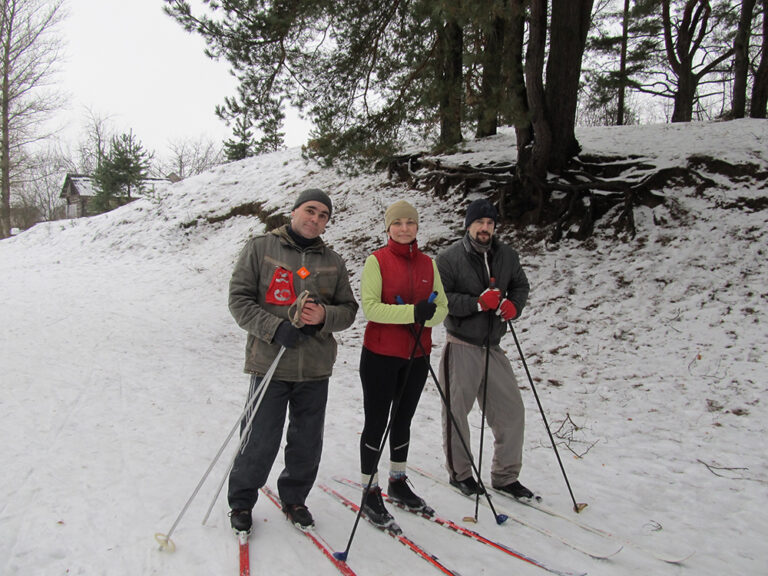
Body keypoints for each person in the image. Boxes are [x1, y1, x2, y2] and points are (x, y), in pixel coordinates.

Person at [227, 188, 358, 533]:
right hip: (269, 363)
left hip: (315, 367)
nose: (315, 219)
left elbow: (348, 310)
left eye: (323, 215)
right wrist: (274, 328)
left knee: (306, 441)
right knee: (259, 438)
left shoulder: (333, 261)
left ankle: (295, 498)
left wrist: (324, 316)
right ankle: (241, 502)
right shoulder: (261, 248)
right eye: (310, 211)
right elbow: (239, 300)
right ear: (294, 211)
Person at [357, 199, 448, 527]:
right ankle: (370, 489)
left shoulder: (428, 264)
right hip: (380, 355)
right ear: (388, 228)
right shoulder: (377, 261)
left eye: (410, 222)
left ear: (417, 227)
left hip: (417, 355)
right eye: (398, 223)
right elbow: (371, 308)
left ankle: (397, 481)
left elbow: (442, 307)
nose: (404, 228)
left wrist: (428, 315)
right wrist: (412, 312)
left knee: (403, 419)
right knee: (377, 421)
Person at [435, 198, 534, 499]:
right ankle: (461, 474)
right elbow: (441, 299)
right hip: (461, 344)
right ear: (468, 225)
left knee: (511, 412)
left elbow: (520, 286)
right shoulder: (449, 258)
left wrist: (513, 305)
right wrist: (477, 303)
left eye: (490, 223)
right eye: (479, 222)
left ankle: (505, 476)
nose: (485, 228)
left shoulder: (507, 255)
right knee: (456, 414)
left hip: (493, 346)